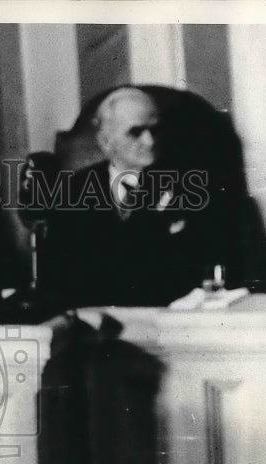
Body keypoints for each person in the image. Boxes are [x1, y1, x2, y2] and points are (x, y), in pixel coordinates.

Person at [42, 87, 213, 308]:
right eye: (136, 132)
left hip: (166, 321)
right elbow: (56, 277)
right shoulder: (71, 191)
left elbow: (201, 268)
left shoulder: (187, 186)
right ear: (106, 142)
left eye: (154, 130)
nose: (150, 141)